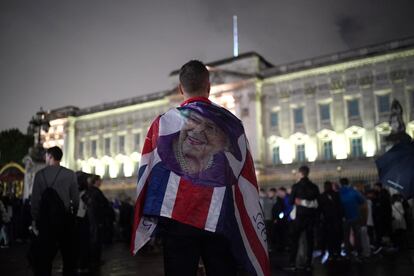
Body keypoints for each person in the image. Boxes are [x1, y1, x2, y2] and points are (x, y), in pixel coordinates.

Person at [131, 60, 270, 276]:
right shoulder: (233, 124)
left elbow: (149, 173)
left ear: (180, 89)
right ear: (209, 86)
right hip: (221, 218)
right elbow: (246, 178)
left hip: (177, 218)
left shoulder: (163, 122)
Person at [31, 146, 79, 276]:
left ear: (50, 156)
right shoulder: (70, 174)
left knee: (45, 257)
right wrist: (72, 215)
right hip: (64, 219)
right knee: (68, 256)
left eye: (46, 156)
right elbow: (75, 199)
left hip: (46, 221)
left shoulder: (40, 175)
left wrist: (36, 218)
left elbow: (35, 200)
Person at [286, 166, 320, 271]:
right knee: (309, 241)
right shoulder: (314, 186)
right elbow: (317, 202)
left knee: (295, 241)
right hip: (310, 217)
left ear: (300, 173)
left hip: (299, 217)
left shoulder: (296, 186)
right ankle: (308, 263)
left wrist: (299, 201)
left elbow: (291, 201)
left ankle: (292, 263)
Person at [339, 178, 365, 260]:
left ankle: (348, 253)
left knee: (346, 237)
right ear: (348, 183)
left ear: (340, 184)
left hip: (345, 218)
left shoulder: (339, 193)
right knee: (357, 235)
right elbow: (361, 200)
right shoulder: (353, 191)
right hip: (355, 216)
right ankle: (359, 252)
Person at [319, 181, 343, 261]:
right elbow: (340, 207)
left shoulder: (322, 196)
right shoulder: (336, 195)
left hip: (327, 220)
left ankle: (331, 254)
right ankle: (338, 253)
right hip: (336, 219)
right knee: (337, 237)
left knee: (329, 238)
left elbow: (320, 209)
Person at [372, 182, 392, 247]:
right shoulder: (383, 194)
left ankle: (385, 246)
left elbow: (381, 206)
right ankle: (385, 245)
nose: (374, 188)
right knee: (385, 232)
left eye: (374, 186)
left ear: (378, 187)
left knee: (383, 232)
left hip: (383, 217)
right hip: (385, 217)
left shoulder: (382, 195)